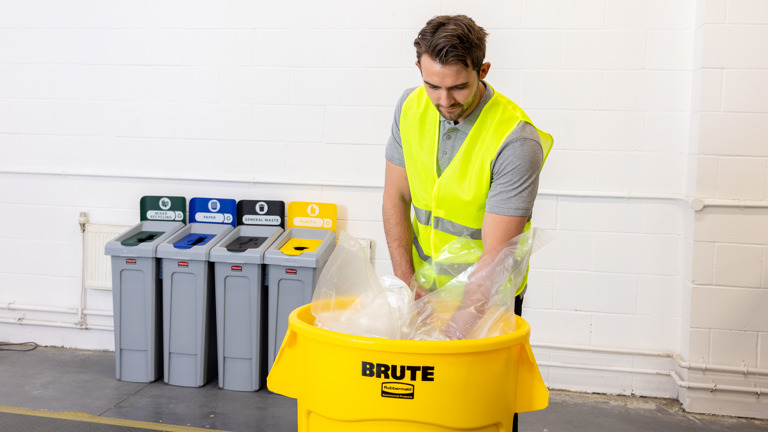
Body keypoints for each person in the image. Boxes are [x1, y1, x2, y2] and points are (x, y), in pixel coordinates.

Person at [382, 14, 553, 431]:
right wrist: (407, 281)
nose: (444, 100)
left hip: (487, 298)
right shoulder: (410, 106)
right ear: (419, 71)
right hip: (424, 286)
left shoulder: (516, 140)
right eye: (433, 85)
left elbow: (497, 255)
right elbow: (395, 197)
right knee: (425, 415)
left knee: (479, 412)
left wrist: (454, 333)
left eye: (459, 86)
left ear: (483, 71)